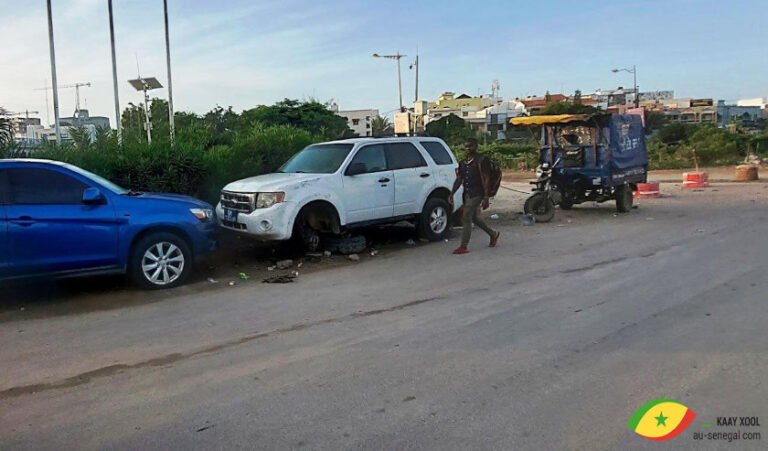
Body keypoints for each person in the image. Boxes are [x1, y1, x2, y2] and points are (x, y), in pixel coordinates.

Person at [448, 138, 500, 254]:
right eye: (466, 146)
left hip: (478, 193)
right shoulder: (463, 162)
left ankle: (463, 246)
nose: (468, 148)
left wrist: (486, 197)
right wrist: (452, 193)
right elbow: (459, 178)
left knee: (466, 217)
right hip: (467, 193)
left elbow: (486, 179)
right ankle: (493, 234)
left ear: (476, 146)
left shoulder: (482, 160)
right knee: (474, 218)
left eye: (470, 146)